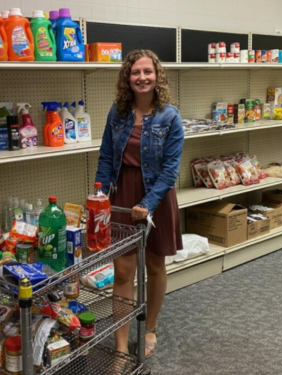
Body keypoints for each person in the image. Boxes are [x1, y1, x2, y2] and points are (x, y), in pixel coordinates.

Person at [94, 49, 184, 358]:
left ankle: (150, 327)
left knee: (155, 265)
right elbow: (106, 158)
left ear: (157, 76)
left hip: (157, 196)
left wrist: (148, 203)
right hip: (123, 196)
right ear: (127, 78)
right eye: (135, 72)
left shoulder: (170, 116)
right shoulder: (116, 113)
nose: (142, 77)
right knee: (122, 271)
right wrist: (99, 196)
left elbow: (171, 169)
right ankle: (121, 346)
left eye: (147, 71)